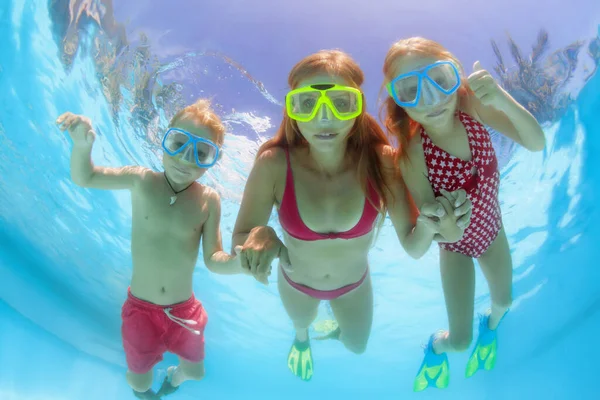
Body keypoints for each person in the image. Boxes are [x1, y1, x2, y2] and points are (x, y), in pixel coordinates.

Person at [231, 50, 472, 382]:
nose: (324, 117)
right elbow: (240, 238)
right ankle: (302, 340)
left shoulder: (383, 161)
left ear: (358, 107)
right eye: (307, 104)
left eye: (341, 103)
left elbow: (414, 247)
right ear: (292, 109)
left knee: (356, 346)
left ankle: (327, 331)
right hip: (296, 283)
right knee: (301, 325)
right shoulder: (274, 164)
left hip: (354, 286)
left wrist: (433, 225)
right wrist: (265, 237)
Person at [56, 100, 252, 399]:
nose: (186, 160)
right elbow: (86, 177)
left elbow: (214, 258)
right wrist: (83, 146)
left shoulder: (209, 200)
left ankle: (174, 377)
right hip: (141, 311)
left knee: (196, 373)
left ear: (213, 160)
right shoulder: (141, 180)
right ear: (163, 140)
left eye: (201, 154)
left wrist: (241, 261)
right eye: (178, 143)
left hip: (184, 311)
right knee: (138, 383)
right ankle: (147, 393)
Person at [381, 37, 546, 391]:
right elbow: (445, 237)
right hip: (454, 250)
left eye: (440, 80)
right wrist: (449, 219)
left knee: (503, 303)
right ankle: (434, 348)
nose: (431, 99)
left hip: (492, 232)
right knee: (457, 342)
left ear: (456, 75)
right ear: (400, 103)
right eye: (410, 90)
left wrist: (501, 97)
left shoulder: (470, 106)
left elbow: (535, 142)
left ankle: (490, 328)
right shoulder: (413, 155)